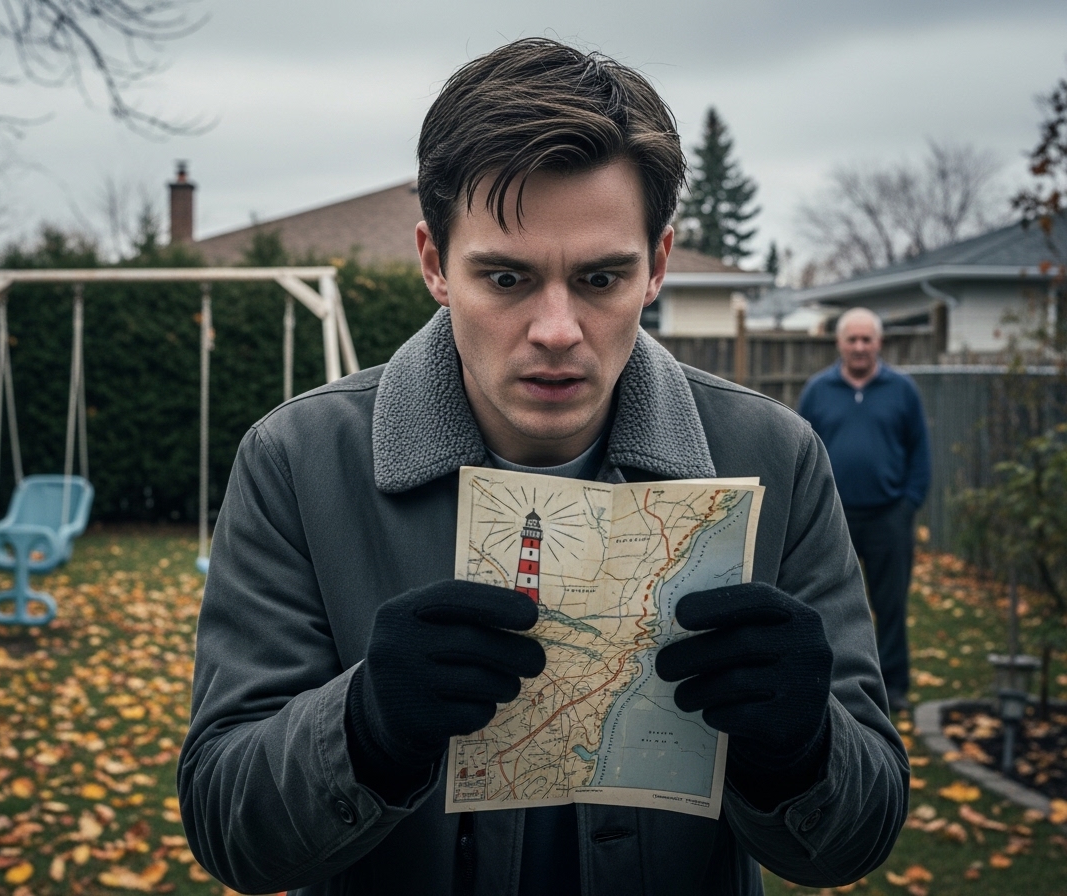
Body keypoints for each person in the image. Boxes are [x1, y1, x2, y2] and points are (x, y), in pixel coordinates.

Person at [179, 39, 907, 896]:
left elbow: (860, 836)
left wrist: (802, 753)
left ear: (659, 267)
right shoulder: (298, 464)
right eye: (507, 277)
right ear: (433, 263)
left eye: (601, 277)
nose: (557, 327)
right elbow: (227, 828)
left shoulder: (773, 461)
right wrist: (364, 727)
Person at [798, 309, 931, 714]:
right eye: (852, 339)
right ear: (839, 343)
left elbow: (920, 454)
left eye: (866, 339)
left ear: (879, 343)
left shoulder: (903, 390)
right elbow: (801, 454)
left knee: (890, 604)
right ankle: (831, 687)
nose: (859, 347)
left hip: (889, 516)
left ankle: (894, 687)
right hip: (832, 517)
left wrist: (908, 504)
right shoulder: (817, 390)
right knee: (827, 605)